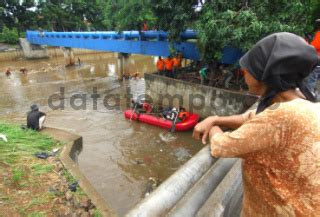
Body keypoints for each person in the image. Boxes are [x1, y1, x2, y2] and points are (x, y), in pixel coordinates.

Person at [193, 32, 320, 216]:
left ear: (265, 74)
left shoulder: (278, 119)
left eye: (249, 68)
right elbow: (253, 118)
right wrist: (216, 118)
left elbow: (221, 146)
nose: (244, 72)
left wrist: (212, 127)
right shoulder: (301, 104)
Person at [304, 19, 320, 98]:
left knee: (312, 77)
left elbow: (315, 46)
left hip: (317, 59)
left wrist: (308, 43)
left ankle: (310, 95)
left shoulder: (319, 34)